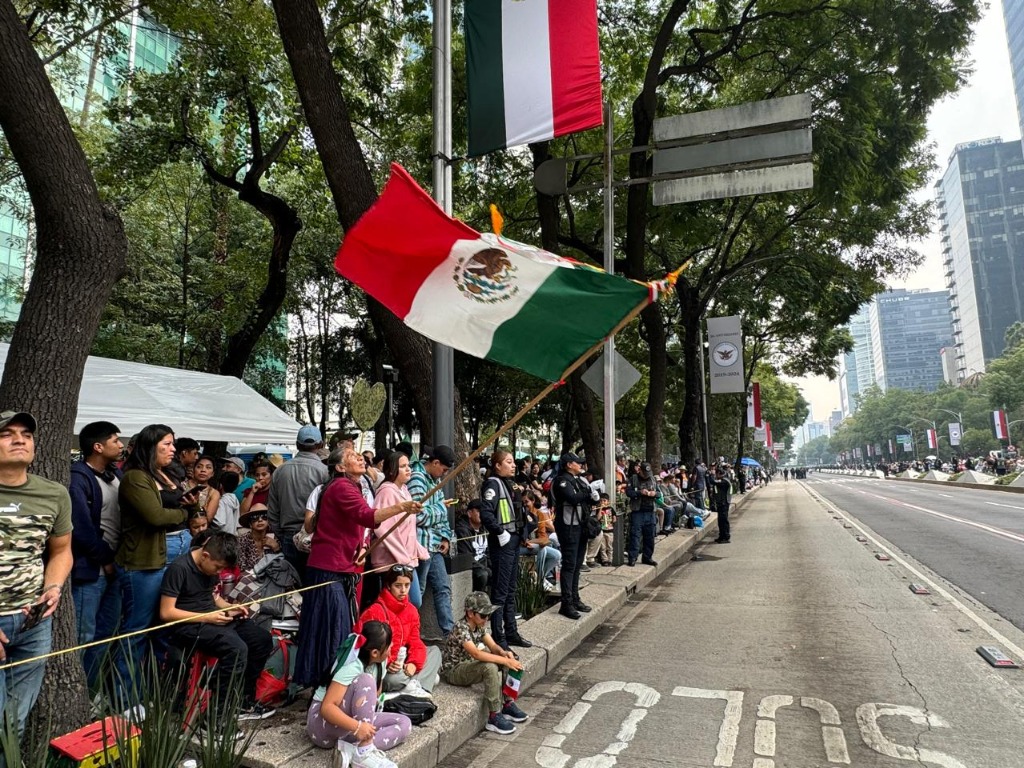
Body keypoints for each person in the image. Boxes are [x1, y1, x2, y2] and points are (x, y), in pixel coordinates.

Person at [293, 449, 421, 689]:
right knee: (335, 628)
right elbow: (366, 516)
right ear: (340, 467)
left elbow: (361, 523)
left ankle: (330, 681)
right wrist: (401, 507)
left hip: (343, 566)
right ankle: (332, 684)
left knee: (338, 626)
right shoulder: (341, 487)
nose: (360, 457)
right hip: (329, 568)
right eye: (352, 455)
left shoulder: (355, 487)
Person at [0, 411, 73, 751]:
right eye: (7, 434)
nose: (19, 439)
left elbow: (61, 551)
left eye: (26, 434)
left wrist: (53, 587)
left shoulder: (53, 493)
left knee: (12, 722)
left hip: (33, 622)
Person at [159, 530, 275, 721]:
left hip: (213, 618)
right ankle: (215, 715)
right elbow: (166, 612)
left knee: (261, 639)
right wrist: (207, 617)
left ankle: (243, 700)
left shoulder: (209, 565)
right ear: (205, 555)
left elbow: (214, 597)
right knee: (236, 649)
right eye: (218, 568)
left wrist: (231, 607)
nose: (220, 573)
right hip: (189, 625)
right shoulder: (179, 568)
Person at [113, 424, 194, 700]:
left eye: (173, 444)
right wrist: (182, 513)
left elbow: (172, 509)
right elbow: (155, 517)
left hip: (175, 553)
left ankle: (158, 694)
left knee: (165, 628)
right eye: (167, 444)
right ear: (151, 446)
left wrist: (186, 509)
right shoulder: (135, 477)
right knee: (136, 631)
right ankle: (125, 700)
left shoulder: (164, 473)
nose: (173, 449)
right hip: (146, 561)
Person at [306, 620, 411, 768]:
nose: (391, 648)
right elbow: (327, 708)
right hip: (322, 725)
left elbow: (370, 702)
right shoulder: (353, 666)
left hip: (348, 727)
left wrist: (361, 726)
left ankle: (351, 751)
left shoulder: (379, 663)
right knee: (366, 681)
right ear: (374, 652)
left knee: (404, 723)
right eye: (389, 646)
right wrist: (357, 727)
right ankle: (364, 752)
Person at [69, 421, 123, 681]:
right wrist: (106, 559)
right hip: (90, 570)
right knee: (84, 634)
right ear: (98, 447)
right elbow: (81, 528)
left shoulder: (115, 476)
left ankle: (90, 689)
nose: (121, 445)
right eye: (115, 440)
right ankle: (76, 692)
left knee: (106, 633)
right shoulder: (78, 478)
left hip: (115, 567)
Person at [441, 592, 526, 736]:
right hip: (454, 670)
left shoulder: (479, 626)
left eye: (488, 616)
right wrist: (505, 660)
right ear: (470, 613)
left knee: (506, 660)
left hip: (470, 664)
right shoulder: (461, 628)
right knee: (490, 666)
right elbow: (476, 654)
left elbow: (493, 646)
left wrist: (504, 654)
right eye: (483, 615)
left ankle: (508, 703)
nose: (486, 619)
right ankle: (494, 715)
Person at [356, 566, 442, 696]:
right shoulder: (374, 611)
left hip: (403, 660)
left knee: (435, 651)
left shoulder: (412, 610)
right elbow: (363, 649)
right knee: (396, 680)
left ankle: (414, 685)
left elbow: (416, 641)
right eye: (398, 585)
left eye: (407, 585)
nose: (403, 590)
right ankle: (422, 681)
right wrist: (388, 662)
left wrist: (414, 664)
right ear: (389, 586)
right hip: (384, 665)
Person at [479, 448, 530, 650]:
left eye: (512, 461)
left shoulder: (510, 484)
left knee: (510, 589)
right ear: (497, 465)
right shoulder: (493, 484)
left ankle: (512, 632)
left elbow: (520, 512)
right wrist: (500, 532)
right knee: (500, 592)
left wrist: (523, 535)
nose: (513, 465)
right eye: (508, 462)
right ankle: (499, 637)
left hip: (514, 540)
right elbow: (486, 513)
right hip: (503, 542)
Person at [269, 425, 331, 576]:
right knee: (314, 588)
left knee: (292, 590)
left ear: (297, 445)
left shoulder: (279, 471)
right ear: (321, 445)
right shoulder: (325, 472)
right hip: (316, 538)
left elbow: (272, 510)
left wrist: (281, 535)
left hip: (289, 536)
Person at [408, 445, 456, 637]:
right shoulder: (417, 478)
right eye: (443, 470)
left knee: (443, 588)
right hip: (419, 546)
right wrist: (440, 508)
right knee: (415, 595)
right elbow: (419, 516)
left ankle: (450, 633)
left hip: (435, 545)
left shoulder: (435, 481)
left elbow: (438, 516)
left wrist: (446, 537)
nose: (444, 474)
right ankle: (411, 634)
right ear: (435, 463)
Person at [370, 451, 428, 608]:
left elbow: (408, 528)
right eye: (403, 466)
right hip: (392, 560)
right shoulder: (386, 491)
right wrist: (402, 556)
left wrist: (417, 548)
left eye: (408, 465)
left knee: (409, 602)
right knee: (409, 601)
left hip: (406, 557)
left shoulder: (405, 490)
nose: (408, 469)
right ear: (392, 469)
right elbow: (383, 528)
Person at [551, 453, 595, 620]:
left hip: (580, 525)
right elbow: (573, 498)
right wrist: (587, 491)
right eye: (578, 463)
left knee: (576, 565)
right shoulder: (562, 480)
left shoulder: (577, 480)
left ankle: (575, 599)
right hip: (568, 527)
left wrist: (591, 495)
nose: (581, 465)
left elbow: (587, 498)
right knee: (569, 565)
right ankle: (566, 603)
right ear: (569, 464)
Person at [521, 490, 561, 592]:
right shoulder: (520, 514)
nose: (525, 505)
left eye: (526, 502)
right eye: (523, 503)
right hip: (522, 546)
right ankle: (541, 580)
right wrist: (526, 542)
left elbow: (543, 537)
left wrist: (532, 542)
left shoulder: (540, 514)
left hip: (533, 544)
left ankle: (540, 577)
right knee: (542, 549)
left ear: (533, 501)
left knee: (557, 555)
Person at [626, 462, 658, 567]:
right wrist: (640, 492)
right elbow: (628, 492)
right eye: (644, 473)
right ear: (640, 470)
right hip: (637, 511)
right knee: (635, 535)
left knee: (650, 536)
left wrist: (654, 494)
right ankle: (633, 557)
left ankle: (647, 557)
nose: (646, 475)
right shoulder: (633, 479)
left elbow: (659, 493)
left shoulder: (652, 479)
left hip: (650, 511)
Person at [455, 500, 491, 592]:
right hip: (472, 567)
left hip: (484, 564)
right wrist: (486, 569)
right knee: (483, 575)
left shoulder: (485, 528)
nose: (482, 514)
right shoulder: (462, 530)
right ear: (470, 513)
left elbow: (489, 552)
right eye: (478, 511)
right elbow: (467, 557)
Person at [236, 503, 280, 571]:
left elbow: (280, 563)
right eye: (255, 517)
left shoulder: (275, 538)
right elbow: (241, 567)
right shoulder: (242, 540)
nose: (260, 520)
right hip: (248, 578)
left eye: (264, 517)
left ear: (268, 521)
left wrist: (276, 548)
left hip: (271, 577)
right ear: (250, 523)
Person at [586, 493, 616, 567]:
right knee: (603, 547)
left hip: (610, 531)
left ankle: (610, 559)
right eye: (601, 501)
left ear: (608, 501)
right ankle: (604, 560)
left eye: (604, 501)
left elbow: (614, 518)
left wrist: (613, 520)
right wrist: (600, 509)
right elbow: (598, 518)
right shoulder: (598, 509)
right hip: (602, 530)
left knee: (609, 546)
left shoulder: (611, 509)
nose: (602, 502)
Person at [711, 467, 733, 543]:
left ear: (719, 474)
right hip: (721, 503)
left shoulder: (725, 481)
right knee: (720, 521)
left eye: (716, 474)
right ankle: (721, 536)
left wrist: (710, 475)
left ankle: (726, 537)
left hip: (724, 504)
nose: (715, 476)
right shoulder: (723, 480)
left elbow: (713, 482)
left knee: (724, 521)